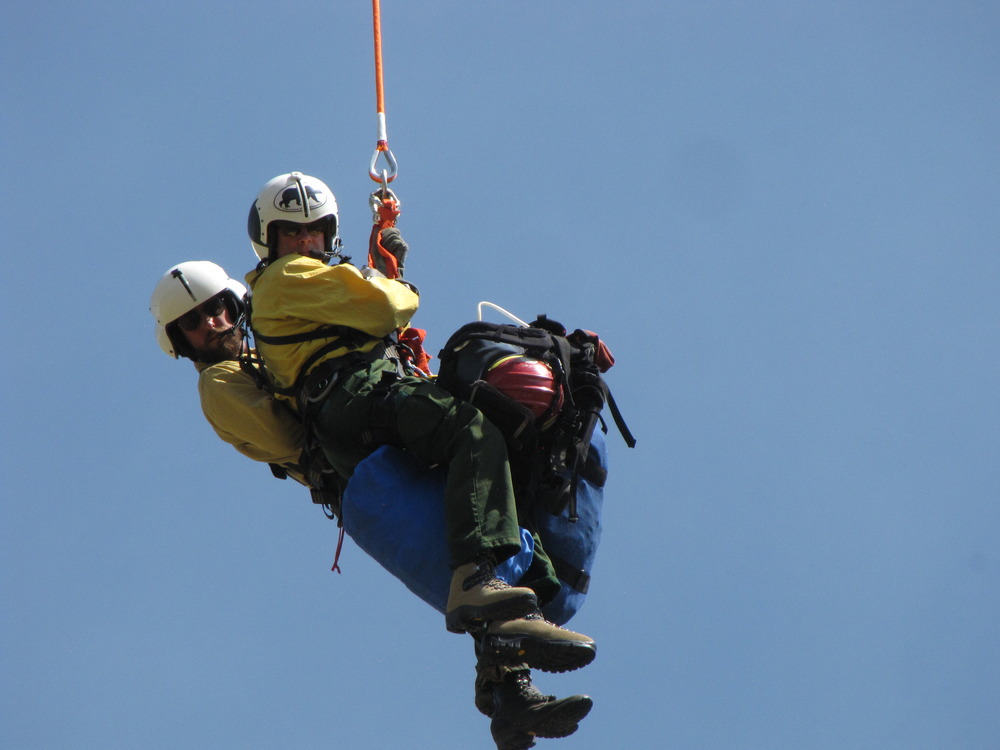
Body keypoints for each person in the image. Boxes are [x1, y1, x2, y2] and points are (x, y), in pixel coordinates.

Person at [151, 257, 593, 748]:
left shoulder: (267, 354)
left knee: (485, 540)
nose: (211, 324)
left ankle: (511, 697)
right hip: (365, 474)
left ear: (235, 306)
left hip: (379, 466)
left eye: (215, 309)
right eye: (193, 322)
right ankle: (512, 667)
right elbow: (288, 436)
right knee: (475, 558)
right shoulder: (220, 381)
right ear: (180, 342)